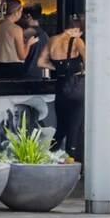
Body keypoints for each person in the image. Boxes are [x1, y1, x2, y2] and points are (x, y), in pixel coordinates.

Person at [43, 12, 86, 158]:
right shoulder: (76, 41)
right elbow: (88, 60)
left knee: (61, 127)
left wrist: (59, 68)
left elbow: (40, 62)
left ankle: (49, 157)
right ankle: (72, 164)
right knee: (74, 127)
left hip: (60, 86)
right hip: (76, 85)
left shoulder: (52, 41)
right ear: (76, 30)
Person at [0, 0, 26, 80]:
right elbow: (22, 56)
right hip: (14, 69)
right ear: (16, 12)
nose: (21, 14)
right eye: (21, 11)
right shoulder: (16, 29)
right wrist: (29, 43)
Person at [20, 9, 50, 81]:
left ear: (29, 16)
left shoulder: (28, 33)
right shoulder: (45, 35)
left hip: (28, 72)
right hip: (40, 73)